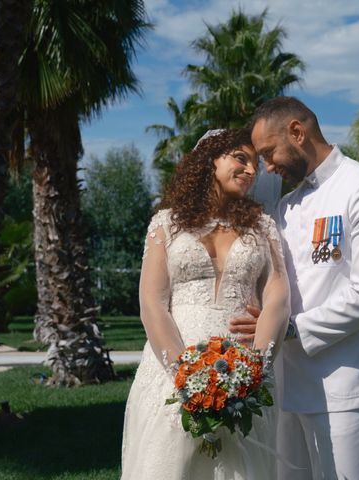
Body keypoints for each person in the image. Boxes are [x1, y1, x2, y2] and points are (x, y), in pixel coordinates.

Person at [229, 97, 359, 479]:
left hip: (343, 382)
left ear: (297, 132)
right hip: (288, 385)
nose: (268, 167)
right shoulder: (286, 206)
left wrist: (286, 328)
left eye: (269, 153)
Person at [120, 128, 290, 480]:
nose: (250, 170)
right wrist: (183, 374)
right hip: (172, 365)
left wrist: (255, 367)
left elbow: (277, 294)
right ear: (210, 161)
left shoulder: (262, 227)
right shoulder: (166, 223)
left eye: (255, 164)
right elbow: (152, 301)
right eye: (240, 159)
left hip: (243, 367)